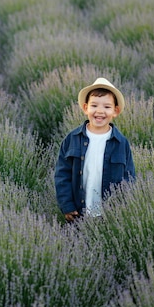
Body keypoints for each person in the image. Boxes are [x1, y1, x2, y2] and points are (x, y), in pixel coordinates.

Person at [55, 77, 135, 223]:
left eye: (107, 107)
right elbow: (62, 175)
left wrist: (124, 209)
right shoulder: (72, 139)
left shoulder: (121, 143)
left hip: (110, 214)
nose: (100, 111)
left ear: (115, 111)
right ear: (86, 108)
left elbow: (129, 178)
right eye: (94, 105)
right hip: (78, 213)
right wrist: (67, 205)